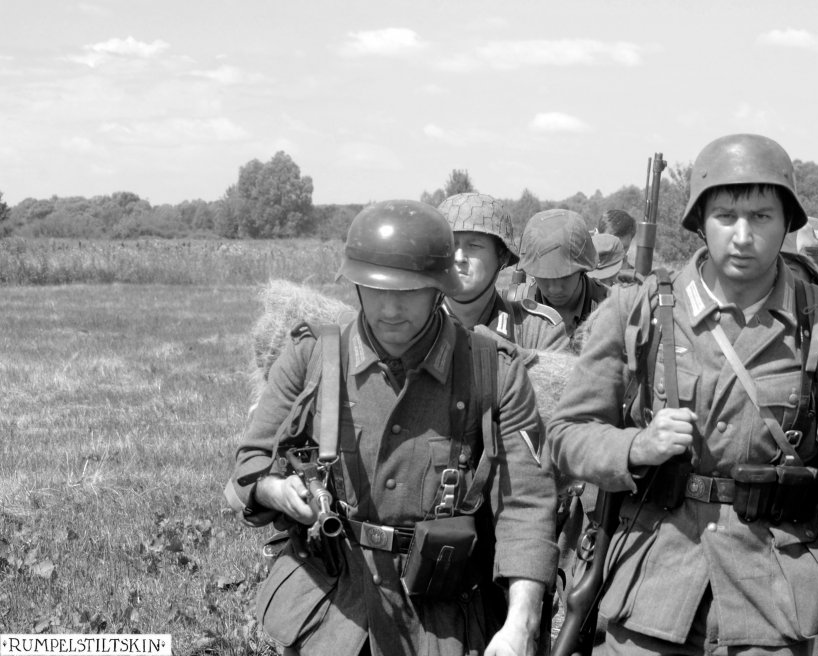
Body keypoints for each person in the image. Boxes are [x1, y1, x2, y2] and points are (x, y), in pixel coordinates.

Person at [548, 134, 818, 656]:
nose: (743, 236)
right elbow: (567, 436)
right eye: (726, 216)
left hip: (772, 611)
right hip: (650, 598)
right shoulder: (637, 311)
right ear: (701, 221)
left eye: (762, 216)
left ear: (787, 223)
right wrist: (635, 446)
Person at [225, 200, 558, 656]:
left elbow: (526, 505)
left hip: (444, 616)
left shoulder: (493, 371)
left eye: (410, 291)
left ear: (440, 288)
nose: (390, 308)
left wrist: (522, 621)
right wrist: (274, 490)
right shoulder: (312, 357)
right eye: (375, 289)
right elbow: (251, 463)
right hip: (333, 608)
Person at [438, 192, 570, 353]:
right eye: (450, 245)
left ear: (502, 256)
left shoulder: (539, 331)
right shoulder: (415, 324)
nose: (459, 258)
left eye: (474, 245)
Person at [519, 209, 607, 341]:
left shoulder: (608, 305)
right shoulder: (517, 309)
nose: (555, 289)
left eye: (565, 276)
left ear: (582, 270)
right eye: (544, 276)